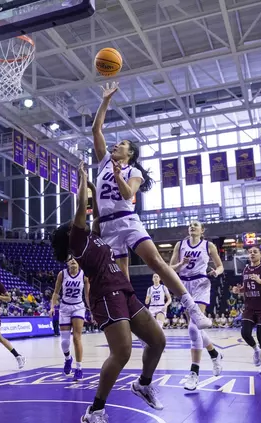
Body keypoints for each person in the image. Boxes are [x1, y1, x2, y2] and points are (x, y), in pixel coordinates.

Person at [52, 163, 166, 423]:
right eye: (72, 225)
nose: (76, 222)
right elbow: (82, 208)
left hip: (123, 288)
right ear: (69, 234)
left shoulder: (93, 236)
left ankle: (144, 384)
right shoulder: (78, 241)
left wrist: (92, 187)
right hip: (106, 294)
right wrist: (82, 182)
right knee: (122, 352)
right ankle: (95, 410)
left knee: (158, 340)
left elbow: (96, 216)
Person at [92, 82, 210, 329]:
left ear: (130, 153)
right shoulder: (104, 163)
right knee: (119, 278)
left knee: (156, 261)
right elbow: (96, 130)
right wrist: (105, 101)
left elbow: (127, 194)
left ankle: (191, 308)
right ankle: (130, 318)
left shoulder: (132, 170)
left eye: (121, 144)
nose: (115, 145)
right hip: (106, 227)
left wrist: (117, 175)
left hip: (126, 220)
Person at [169, 220, 225, 390]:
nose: (192, 227)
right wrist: (181, 264)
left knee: (193, 328)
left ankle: (194, 373)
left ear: (202, 230)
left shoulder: (209, 246)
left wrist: (216, 272)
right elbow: (171, 268)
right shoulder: (180, 245)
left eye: (196, 225)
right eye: (190, 225)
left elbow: (220, 266)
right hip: (184, 285)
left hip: (201, 284)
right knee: (197, 329)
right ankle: (215, 354)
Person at [231, 246, 261, 374]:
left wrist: (260, 280)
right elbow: (247, 288)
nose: (252, 254)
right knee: (245, 333)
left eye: (255, 252)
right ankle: (256, 350)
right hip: (249, 307)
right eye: (250, 252)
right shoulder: (246, 269)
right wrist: (239, 290)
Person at [48, 258, 90, 380]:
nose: (72, 261)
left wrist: (91, 310)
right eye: (70, 259)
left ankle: (79, 368)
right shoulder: (62, 274)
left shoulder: (84, 275)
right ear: (67, 263)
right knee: (65, 342)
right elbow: (56, 292)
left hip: (78, 307)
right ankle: (68, 358)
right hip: (65, 307)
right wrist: (52, 307)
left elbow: (87, 295)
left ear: (79, 262)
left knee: (77, 338)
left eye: (75, 259)